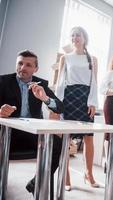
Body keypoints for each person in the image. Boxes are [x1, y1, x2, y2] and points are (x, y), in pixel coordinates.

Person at [0, 50, 63, 200]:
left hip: (32, 133)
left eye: (28, 65)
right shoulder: (3, 81)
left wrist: (46, 98)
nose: (23, 67)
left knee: (57, 144)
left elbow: (60, 107)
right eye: (20, 63)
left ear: (36, 69)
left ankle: (36, 183)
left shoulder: (42, 84)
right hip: (7, 133)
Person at [55, 26, 99, 191]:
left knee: (89, 138)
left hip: (85, 98)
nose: (75, 38)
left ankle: (89, 174)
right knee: (66, 138)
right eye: (72, 35)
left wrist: (92, 102)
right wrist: (57, 105)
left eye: (78, 35)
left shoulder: (92, 59)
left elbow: (94, 81)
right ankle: (66, 176)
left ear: (84, 38)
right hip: (69, 98)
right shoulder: (65, 58)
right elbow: (61, 82)